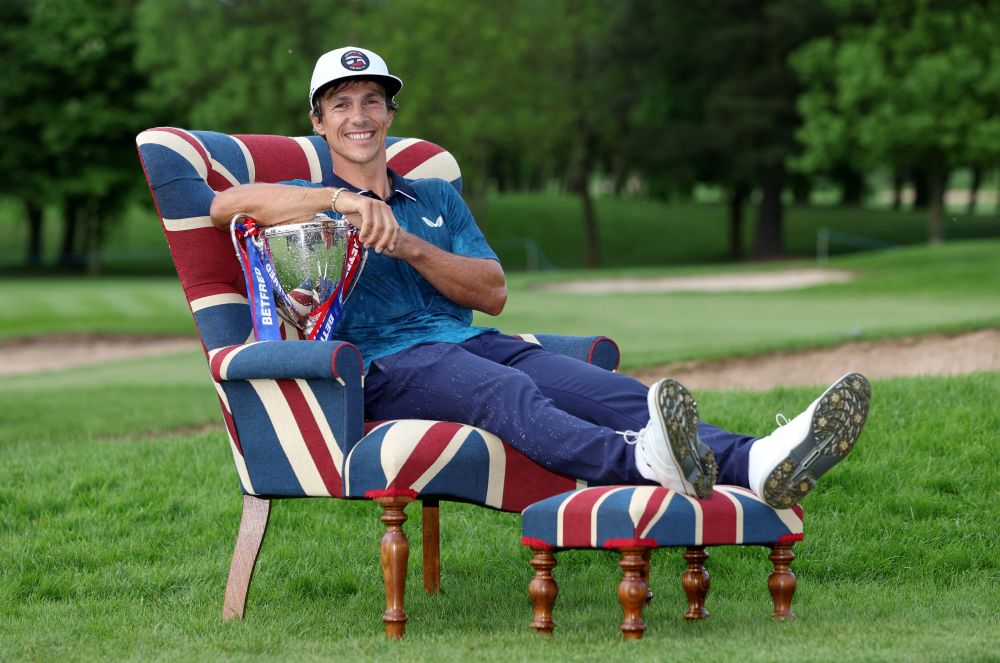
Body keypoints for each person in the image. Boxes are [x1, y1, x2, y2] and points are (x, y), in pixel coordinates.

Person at [210, 46, 872, 509]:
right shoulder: (303, 194)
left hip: (469, 341)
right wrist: (344, 203)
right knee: (507, 393)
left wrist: (409, 243)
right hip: (386, 364)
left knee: (618, 394)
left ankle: (758, 460)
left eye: (373, 101)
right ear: (318, 121)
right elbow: (224, 206)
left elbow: (492, 293)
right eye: (343, 103)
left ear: (390, 115)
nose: (360, 115)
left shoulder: (435, 199)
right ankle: (642, 463)